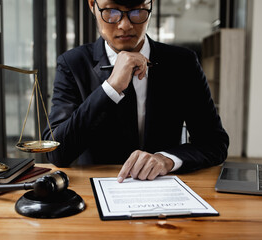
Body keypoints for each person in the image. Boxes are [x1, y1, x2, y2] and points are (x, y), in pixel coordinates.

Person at [43, 0, 229, 182]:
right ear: (93, 5)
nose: (125, 25)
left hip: (165, 189)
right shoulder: (73, 64)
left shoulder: (182, 63)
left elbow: (214, 143)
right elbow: (56, 152)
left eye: (137, 11)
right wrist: (110, 88)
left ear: (151, 5)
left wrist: (167, 159)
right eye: (111, 11)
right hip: (96, 191)